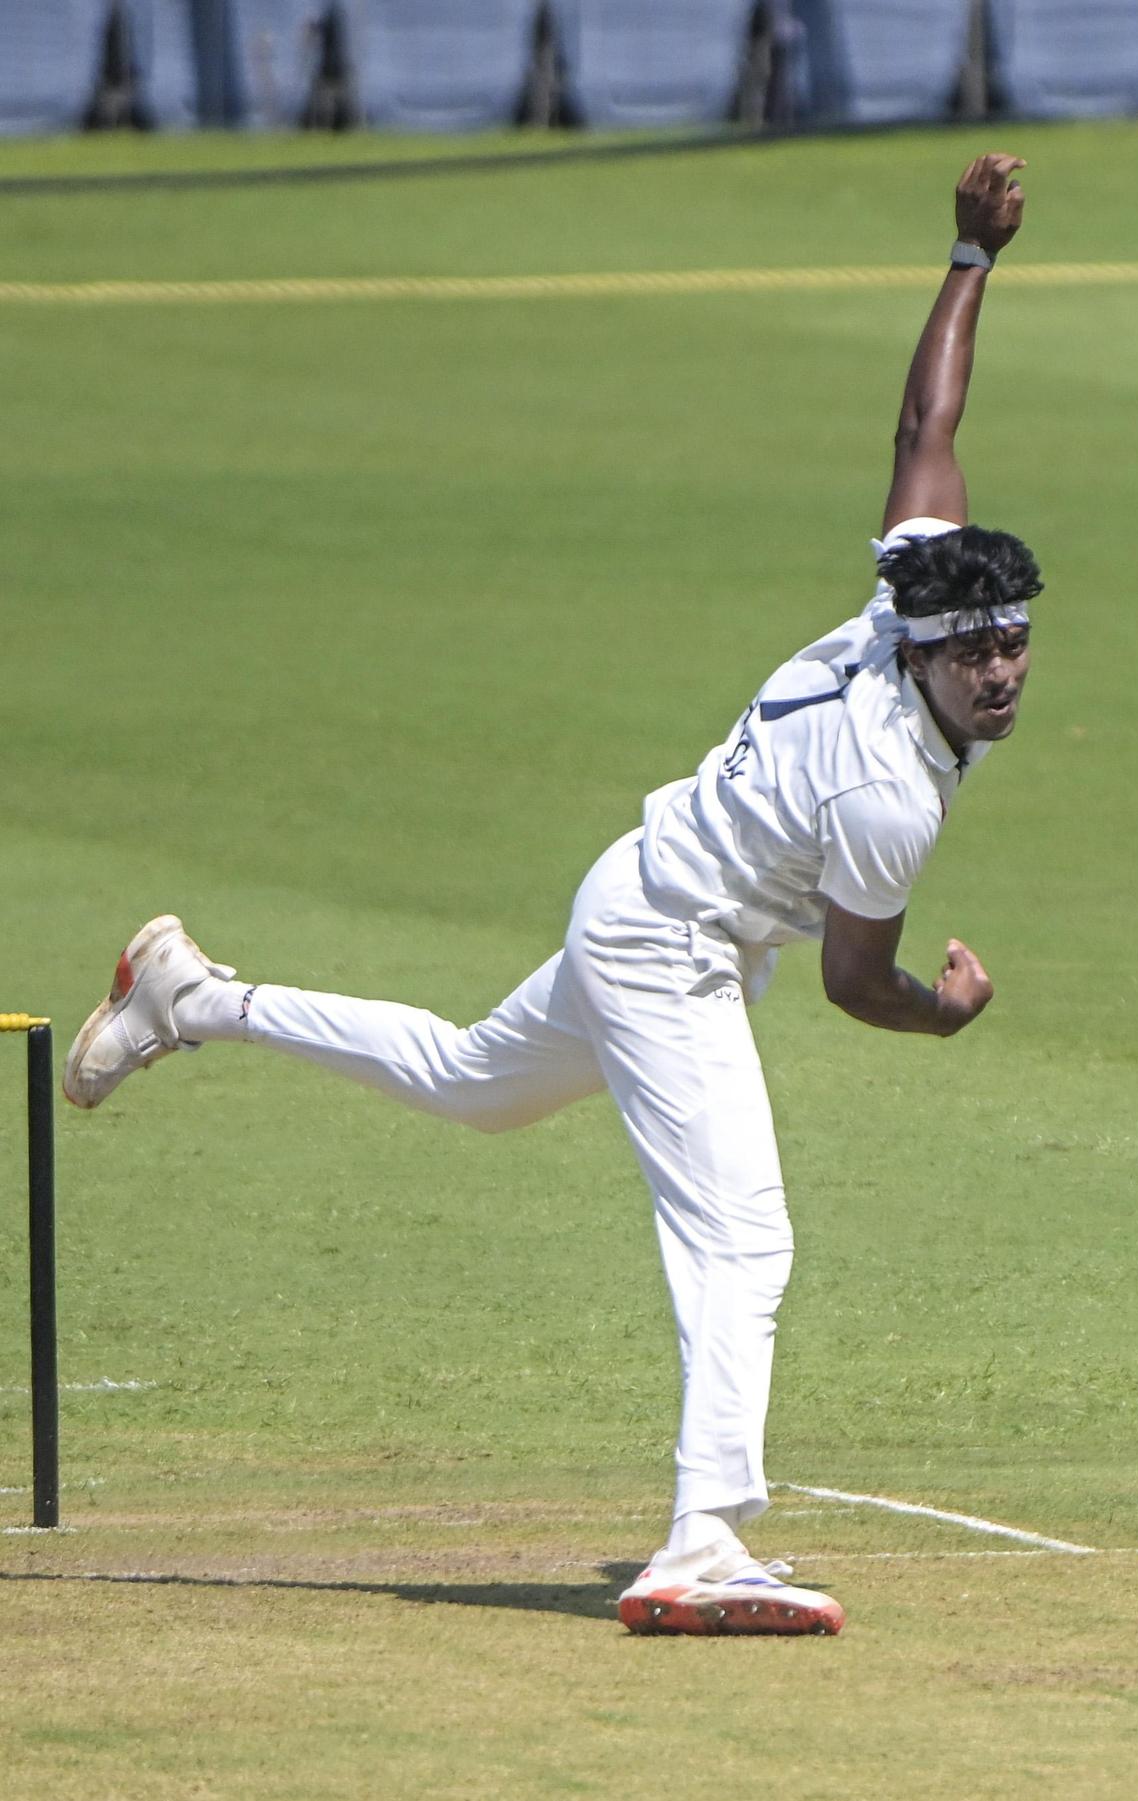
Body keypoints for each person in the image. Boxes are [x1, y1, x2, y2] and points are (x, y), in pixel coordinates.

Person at [65, 153, 1040, 1638]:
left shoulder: (889, 607)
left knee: (470, 1083)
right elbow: (856, 981)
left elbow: (928, 424)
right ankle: (704, 1538)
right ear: (924, 652)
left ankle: (195, 998)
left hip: (640, 891)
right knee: (746, 1232)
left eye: (1016, 643)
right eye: (979, 652)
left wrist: (970, 261)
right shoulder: (888, 787)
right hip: (669, 941)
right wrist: (945, 1012)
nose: (1003, 669)